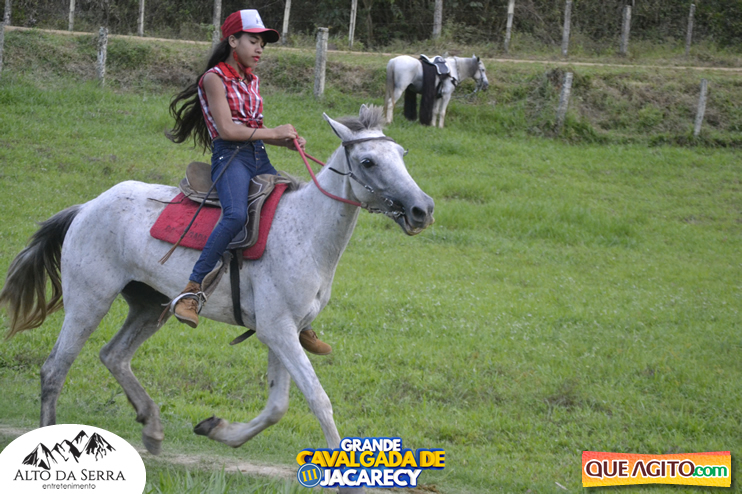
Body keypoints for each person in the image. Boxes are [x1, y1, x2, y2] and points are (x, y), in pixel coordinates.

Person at [166, 9, 331, 355]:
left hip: (257, 156)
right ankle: (191, 292)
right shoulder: (213, 78)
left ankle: (299, 317)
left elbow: (254, 128)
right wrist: (273, 133)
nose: (259, 49)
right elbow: (228, 130)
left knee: (287, 211)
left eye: (262, 44)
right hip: (230, 158)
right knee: (236, 215)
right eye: (253, 41)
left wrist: (281, 140)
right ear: (232, 40)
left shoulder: (251, 79)